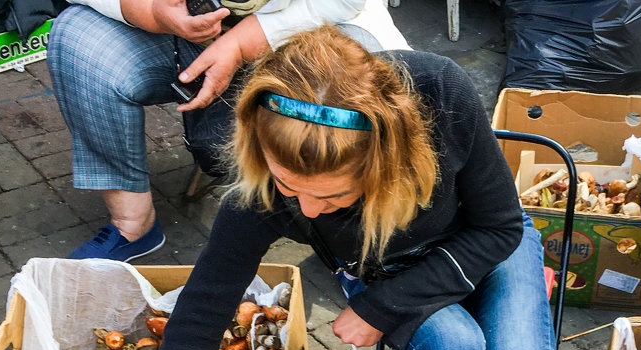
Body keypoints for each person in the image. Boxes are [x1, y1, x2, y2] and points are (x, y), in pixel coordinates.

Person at [136, 26, 557, 350]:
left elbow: (499, 229)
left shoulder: (441, 93)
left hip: (486, 239)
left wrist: (379, 306)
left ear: (382, 161)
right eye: (290, 187)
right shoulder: (264, 186)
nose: (307, 212)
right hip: (384, 262)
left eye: (333, 195)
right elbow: (193, 328)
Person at [46, 0, 407, 262]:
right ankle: (132, 224)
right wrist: (150, 10)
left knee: (368, 99)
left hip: (310, 32)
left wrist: (241, 43)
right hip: (176, 36)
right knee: (77, 36)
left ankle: (359, 241)